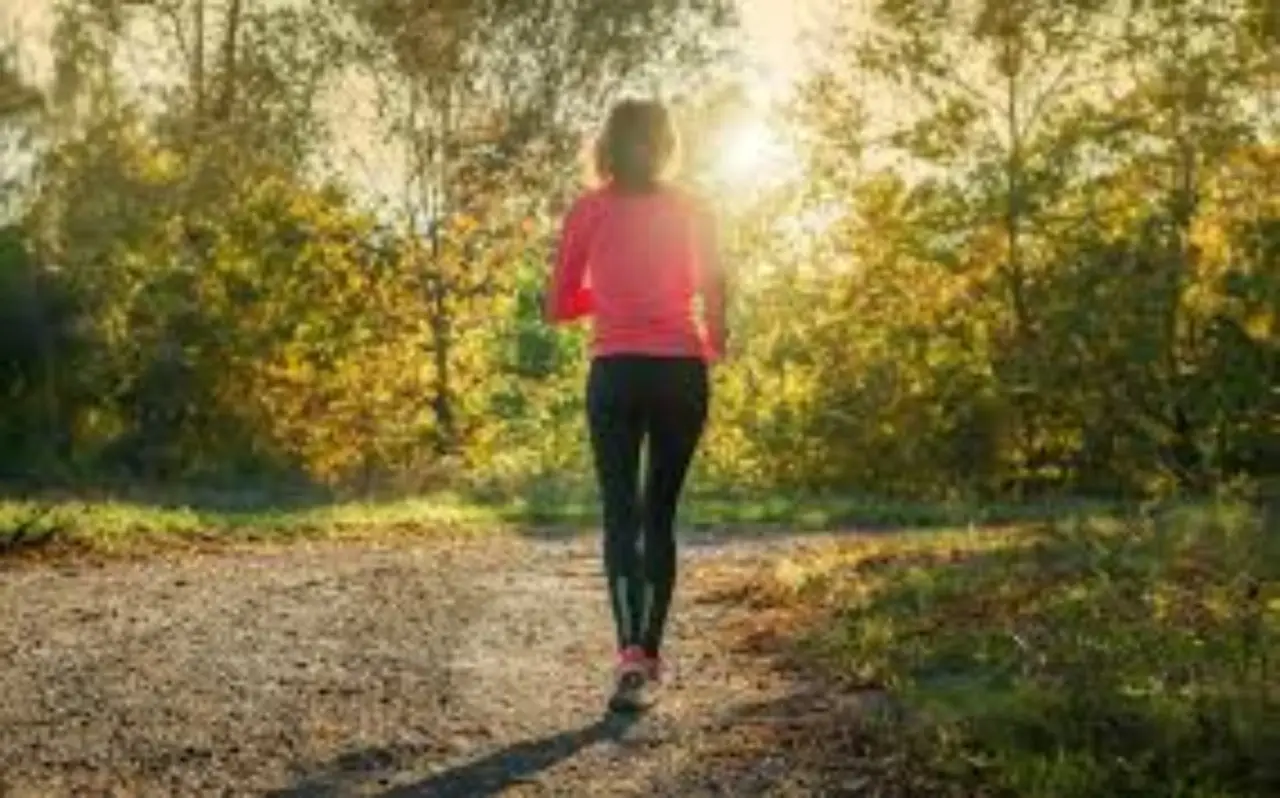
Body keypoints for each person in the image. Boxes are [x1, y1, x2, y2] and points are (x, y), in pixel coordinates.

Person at [544, 98, 728, 713]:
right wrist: (713, 340)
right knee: (659, 517)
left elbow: (559, 302)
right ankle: (651, 655)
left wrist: (612, 297)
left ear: (606, 144)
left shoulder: (589, 210)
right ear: (666, 142)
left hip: (616, 374)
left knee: (621, 514)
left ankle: (629, 655)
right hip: (680, 371)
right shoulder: (694, 208)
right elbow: (716, 284)